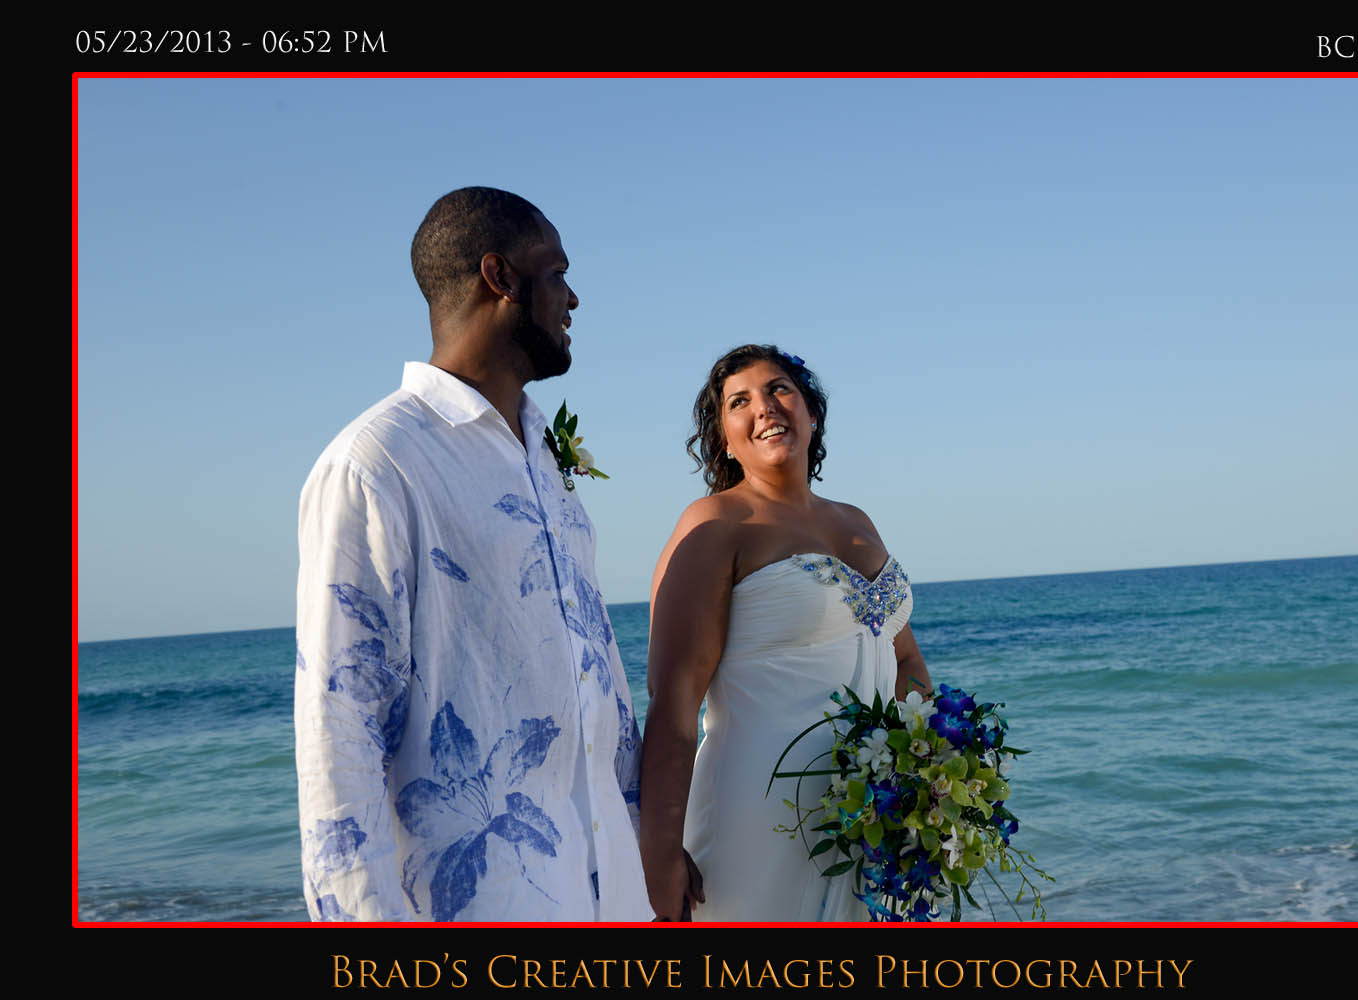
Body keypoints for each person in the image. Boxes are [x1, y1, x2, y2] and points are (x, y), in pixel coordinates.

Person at [294, 187, 655, 921]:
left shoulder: (545, 458)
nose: (573, 298)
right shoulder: (377, 464)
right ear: (500, 277)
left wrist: (642, 856)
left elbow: (599, 685)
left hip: (606, 893)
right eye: (557, 273)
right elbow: (341, 727)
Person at [638, 345, 934, 921]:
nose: (765, 407)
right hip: (759, 818)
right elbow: (673, 700)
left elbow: (905, 660)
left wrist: (925, 770)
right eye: (739, 401)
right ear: (725, 439)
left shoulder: (858, 521)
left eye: (779, 389)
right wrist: (658, 853)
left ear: (811, 412)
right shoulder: (715, 524)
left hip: (871, 818)